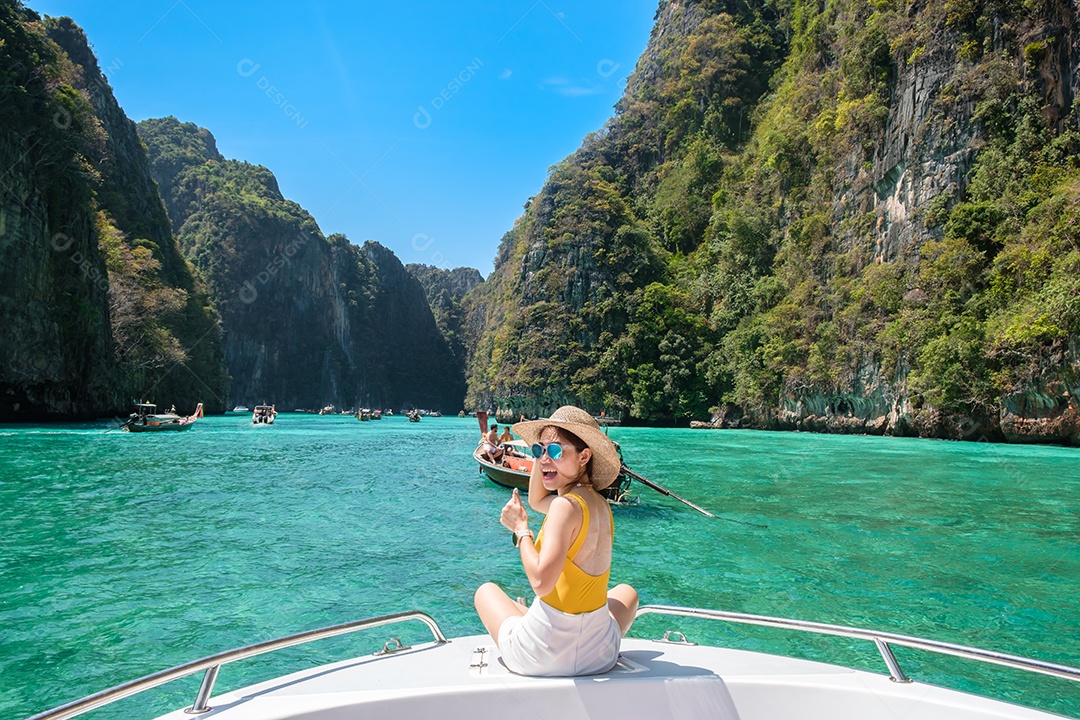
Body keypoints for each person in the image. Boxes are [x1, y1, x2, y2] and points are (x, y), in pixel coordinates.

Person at [474, 405, 638, 676]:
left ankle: (534, 622)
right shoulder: (599, 504)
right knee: (627, 593)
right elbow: (537, 499)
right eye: (539, 451)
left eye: (556, 451)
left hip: (542, 656)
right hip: (599, 655)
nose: (544, 459)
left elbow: (541, 583)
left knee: (486, 591)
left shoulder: (564, 507)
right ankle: (542, 620)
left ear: (584, 456)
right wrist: (545, 458)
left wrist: (521, 529)